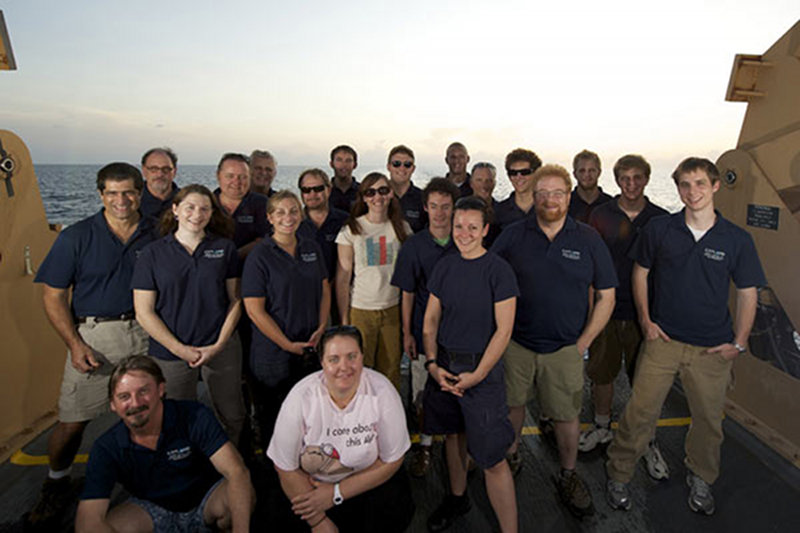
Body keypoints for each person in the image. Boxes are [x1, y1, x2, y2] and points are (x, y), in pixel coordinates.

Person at [605, 157, 766, 515]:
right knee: (639, 412)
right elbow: (640, 273)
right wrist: (646, 321)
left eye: (699, 184)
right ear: (677, 188)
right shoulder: (660, 229)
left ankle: (702, 477)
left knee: (709, 421)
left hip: (712, 348)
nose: (692, 192)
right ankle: (619, 473)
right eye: (684, 185)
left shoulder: (737, 239)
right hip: (663, 342)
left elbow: (747, 292)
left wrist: (739, 342)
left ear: (714, 187)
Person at [28, 162, 156, 526]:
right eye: (113, 193)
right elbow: (53, 296)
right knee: (73, 420)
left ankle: (147, 481)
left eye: (129, 191)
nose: (121, 200)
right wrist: (74, 343)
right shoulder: (76, 236)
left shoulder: (156, 234)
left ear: (140, 193)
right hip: (95, 337)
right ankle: (56, 484)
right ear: (100, 195)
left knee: (149, 413)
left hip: (145, 333)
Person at [492, 164, 617, 518]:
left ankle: (568, 474)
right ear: (533, 196)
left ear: (569, 196)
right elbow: (489, 277)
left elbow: (606, 295)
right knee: (512, 406)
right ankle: (511, 455)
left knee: (565, 415)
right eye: (542, 193)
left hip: (565, 348)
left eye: (557, 193)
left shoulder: (588, 238)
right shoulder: (514, 235)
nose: (550, 199)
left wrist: (584, 342)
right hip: (516, 343)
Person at [422, 196, 519, 533]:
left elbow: (504, 331)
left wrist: (478, 375)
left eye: (472, 227)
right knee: (453, 437)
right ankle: (457, 497)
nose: (464, 233)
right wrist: (433, 364)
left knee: (492, 458)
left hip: (481, 370)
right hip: (445, 365)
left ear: (485, 230)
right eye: (459, 226)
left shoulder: (499, 271)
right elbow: (430, 321)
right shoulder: (445, 266)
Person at [76, 355, 254, 533]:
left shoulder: (194, 416)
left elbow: (237, 472)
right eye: (124, 397)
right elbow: (88, 520)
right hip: (150, 508)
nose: (135, 403)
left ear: (161, 389)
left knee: (241, 497)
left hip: (206, 499)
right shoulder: (106, 447)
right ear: (113, 405)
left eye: (143, 391)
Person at [267, 326, 414, 533]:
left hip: (366, 483)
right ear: (322, 363)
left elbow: (393, 460)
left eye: (352, 356)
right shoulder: (300, 397)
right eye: (334, 359)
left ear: (362, 357)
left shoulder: (383, 392)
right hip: (312, 487)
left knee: (394, 504)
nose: (344, 367)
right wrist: (318, 521)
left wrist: (336, 492)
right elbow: (285, 467)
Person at [579, 155, 670, 482]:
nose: (631, 184)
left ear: (646, 179)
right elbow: (589, 264)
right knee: (602, 373)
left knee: (644, 380)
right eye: (625, 178)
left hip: (644, 314)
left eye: (637, 178)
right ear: (616, 180)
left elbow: (667, 268)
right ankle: (601, 426)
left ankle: (646, 439)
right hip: (606, 308)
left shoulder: (660, 219)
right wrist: (589, 314)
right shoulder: (600, 215)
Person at [132, 184, 246, 444]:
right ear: (175, 210)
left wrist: (218, 345)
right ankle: (185, 467)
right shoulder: (152, 254)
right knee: (175, 415)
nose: (197, 214)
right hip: (171, 353)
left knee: (232, 413)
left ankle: (231, 464)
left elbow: (235, 300)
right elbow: (144, 312)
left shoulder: (224, 248)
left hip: (221, 347)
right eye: (190, 207)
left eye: (205, 208)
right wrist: (179, 349)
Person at [242, 191, 330, 444]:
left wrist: (322, 326)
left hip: (310, 348)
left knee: (309, 415)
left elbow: (324, 288)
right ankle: (276, 477)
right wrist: (286, 344)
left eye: (293, 211)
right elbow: (254, 310)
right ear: (270, 217)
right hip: (273, 353)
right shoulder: (260, 256)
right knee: (275, 418)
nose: (287, 217)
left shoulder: (311, 248)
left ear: (301, 215)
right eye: (280, 212)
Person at [391, 178, 460, 477]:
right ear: (425, 208)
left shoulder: (465, 242)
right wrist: (407, 333)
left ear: (454, 208)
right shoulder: (414, 246)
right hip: (423, 333)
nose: (440, 213)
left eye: (446, 207)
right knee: (423, 395)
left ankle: (457, 451)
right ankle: (425, 448)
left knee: (458, 392)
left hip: (460, 336)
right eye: (434, 206)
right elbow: (406, 292)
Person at [335, 172, 410, 390]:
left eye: (383, 190)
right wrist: (344, 318)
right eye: (371, 192)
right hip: (361, 310)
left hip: (392, 310)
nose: (378, 197)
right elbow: (342, 279)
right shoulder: (351, 230)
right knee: (360, 370)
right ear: (364, 198)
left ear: (391, 194)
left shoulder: (402, 229)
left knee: (391, 370)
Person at [296, 168, 349, 325]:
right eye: (306, 190)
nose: (312, 194)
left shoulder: (345, 221)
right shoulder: (292, 223)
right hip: (303, 297)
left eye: (318, 188)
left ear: (329, 189)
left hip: (339, 294)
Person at [213, 152, 270, 259]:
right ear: (218, 176)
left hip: (250, 267)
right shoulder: (205, 204)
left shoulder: (262, 204)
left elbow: (266, 239)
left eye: (243, 177)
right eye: (230, 176)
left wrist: (235, 256)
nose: (236, 182)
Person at [494, 148, 542, 229]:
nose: (518, 177)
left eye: (525, 172)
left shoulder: (549, 208)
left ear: (537, 173)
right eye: (513, 173)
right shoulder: (499, 211)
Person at [387, 144, 427, 233]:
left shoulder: (423, 198)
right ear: (388, 167)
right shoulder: (377, 196)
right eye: (396, 164)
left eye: (407, 164)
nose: (402, 168)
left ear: (413, 169)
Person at [568, 149, 612, 223]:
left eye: (591, 170)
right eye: (582, 171)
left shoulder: (610, 205)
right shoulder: (566, 204)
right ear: (575, 174)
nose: (587, 175)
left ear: (599, 172)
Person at [140, 147, 180, 221]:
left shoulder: (186, 201)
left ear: (174, 171)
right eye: (153, 169)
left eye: (166, 169)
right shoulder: (132, 202)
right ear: (144, 171)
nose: (160, 174)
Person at [470, 162, 502, 248]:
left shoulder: (503, 212)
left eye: (489, 181)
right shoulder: (460, 210)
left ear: (494, 183)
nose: (484, 185)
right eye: (479, 180)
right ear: (471, 183)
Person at [328, 145, 359, 213]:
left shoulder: (362, 191)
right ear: (331, 164)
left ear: (355, 165)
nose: (344, 165)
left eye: (348, 161)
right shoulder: (324, 192)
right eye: (339, 160)